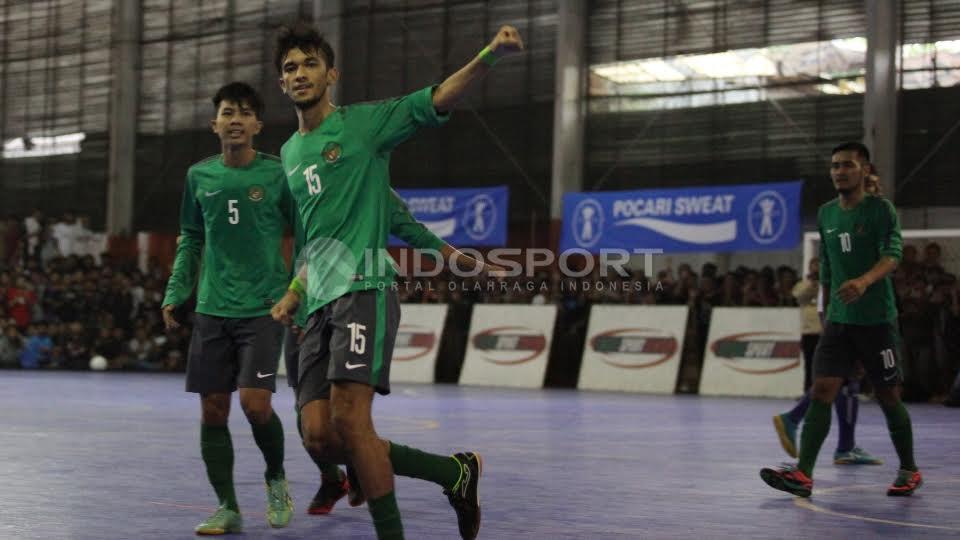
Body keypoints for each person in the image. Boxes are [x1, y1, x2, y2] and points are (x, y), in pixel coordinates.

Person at [269, 21, 522, 540]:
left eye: (309, 63)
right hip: (317, 305)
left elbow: (436, 99)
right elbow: (317, 237)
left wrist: (491, 54)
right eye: (290, 68)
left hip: (364, 290)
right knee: (318, 437)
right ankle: (452, 473)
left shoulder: (365, 127)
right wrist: (296, 293)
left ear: (331, 74)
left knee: (352, 423)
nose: (299, 74)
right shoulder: (290, 156)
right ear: (281, 82)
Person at [161, 82, 295, 534]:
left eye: (244, 113)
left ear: (257, 124)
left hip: (264, 308)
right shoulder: (199, 177)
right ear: (214, 123)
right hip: (212, 309)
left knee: (256, 405)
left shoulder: (279, 174)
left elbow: (307, 235)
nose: (235, 119)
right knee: (213, 410)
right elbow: (190, 238)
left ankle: (276, 478)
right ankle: (227, 507)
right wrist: (176, 290)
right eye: (227, 112)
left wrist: (297, 289)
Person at [760, 142, 922, 498]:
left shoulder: (881, 210)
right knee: (822, 390)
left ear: (864, 170)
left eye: (847, 165)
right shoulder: (826, 214)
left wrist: (864, 282)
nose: (839, 172)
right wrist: (825, 310)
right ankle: (803, 474)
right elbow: (829, 267)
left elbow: (892, 254)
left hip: (877, 320)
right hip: (838, 322)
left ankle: (909, 469)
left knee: (889, 397)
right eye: (834, 166)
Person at [770, 167, 887, 466]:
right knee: (835, 380)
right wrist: (830, 321)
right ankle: (797, 420)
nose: (877, 190)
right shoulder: (846, 224)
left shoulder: (864, 225)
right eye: (872, 185)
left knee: (844, 381)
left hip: (849, 314)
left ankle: (843, 444)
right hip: (845, 316)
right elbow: (832, 277)